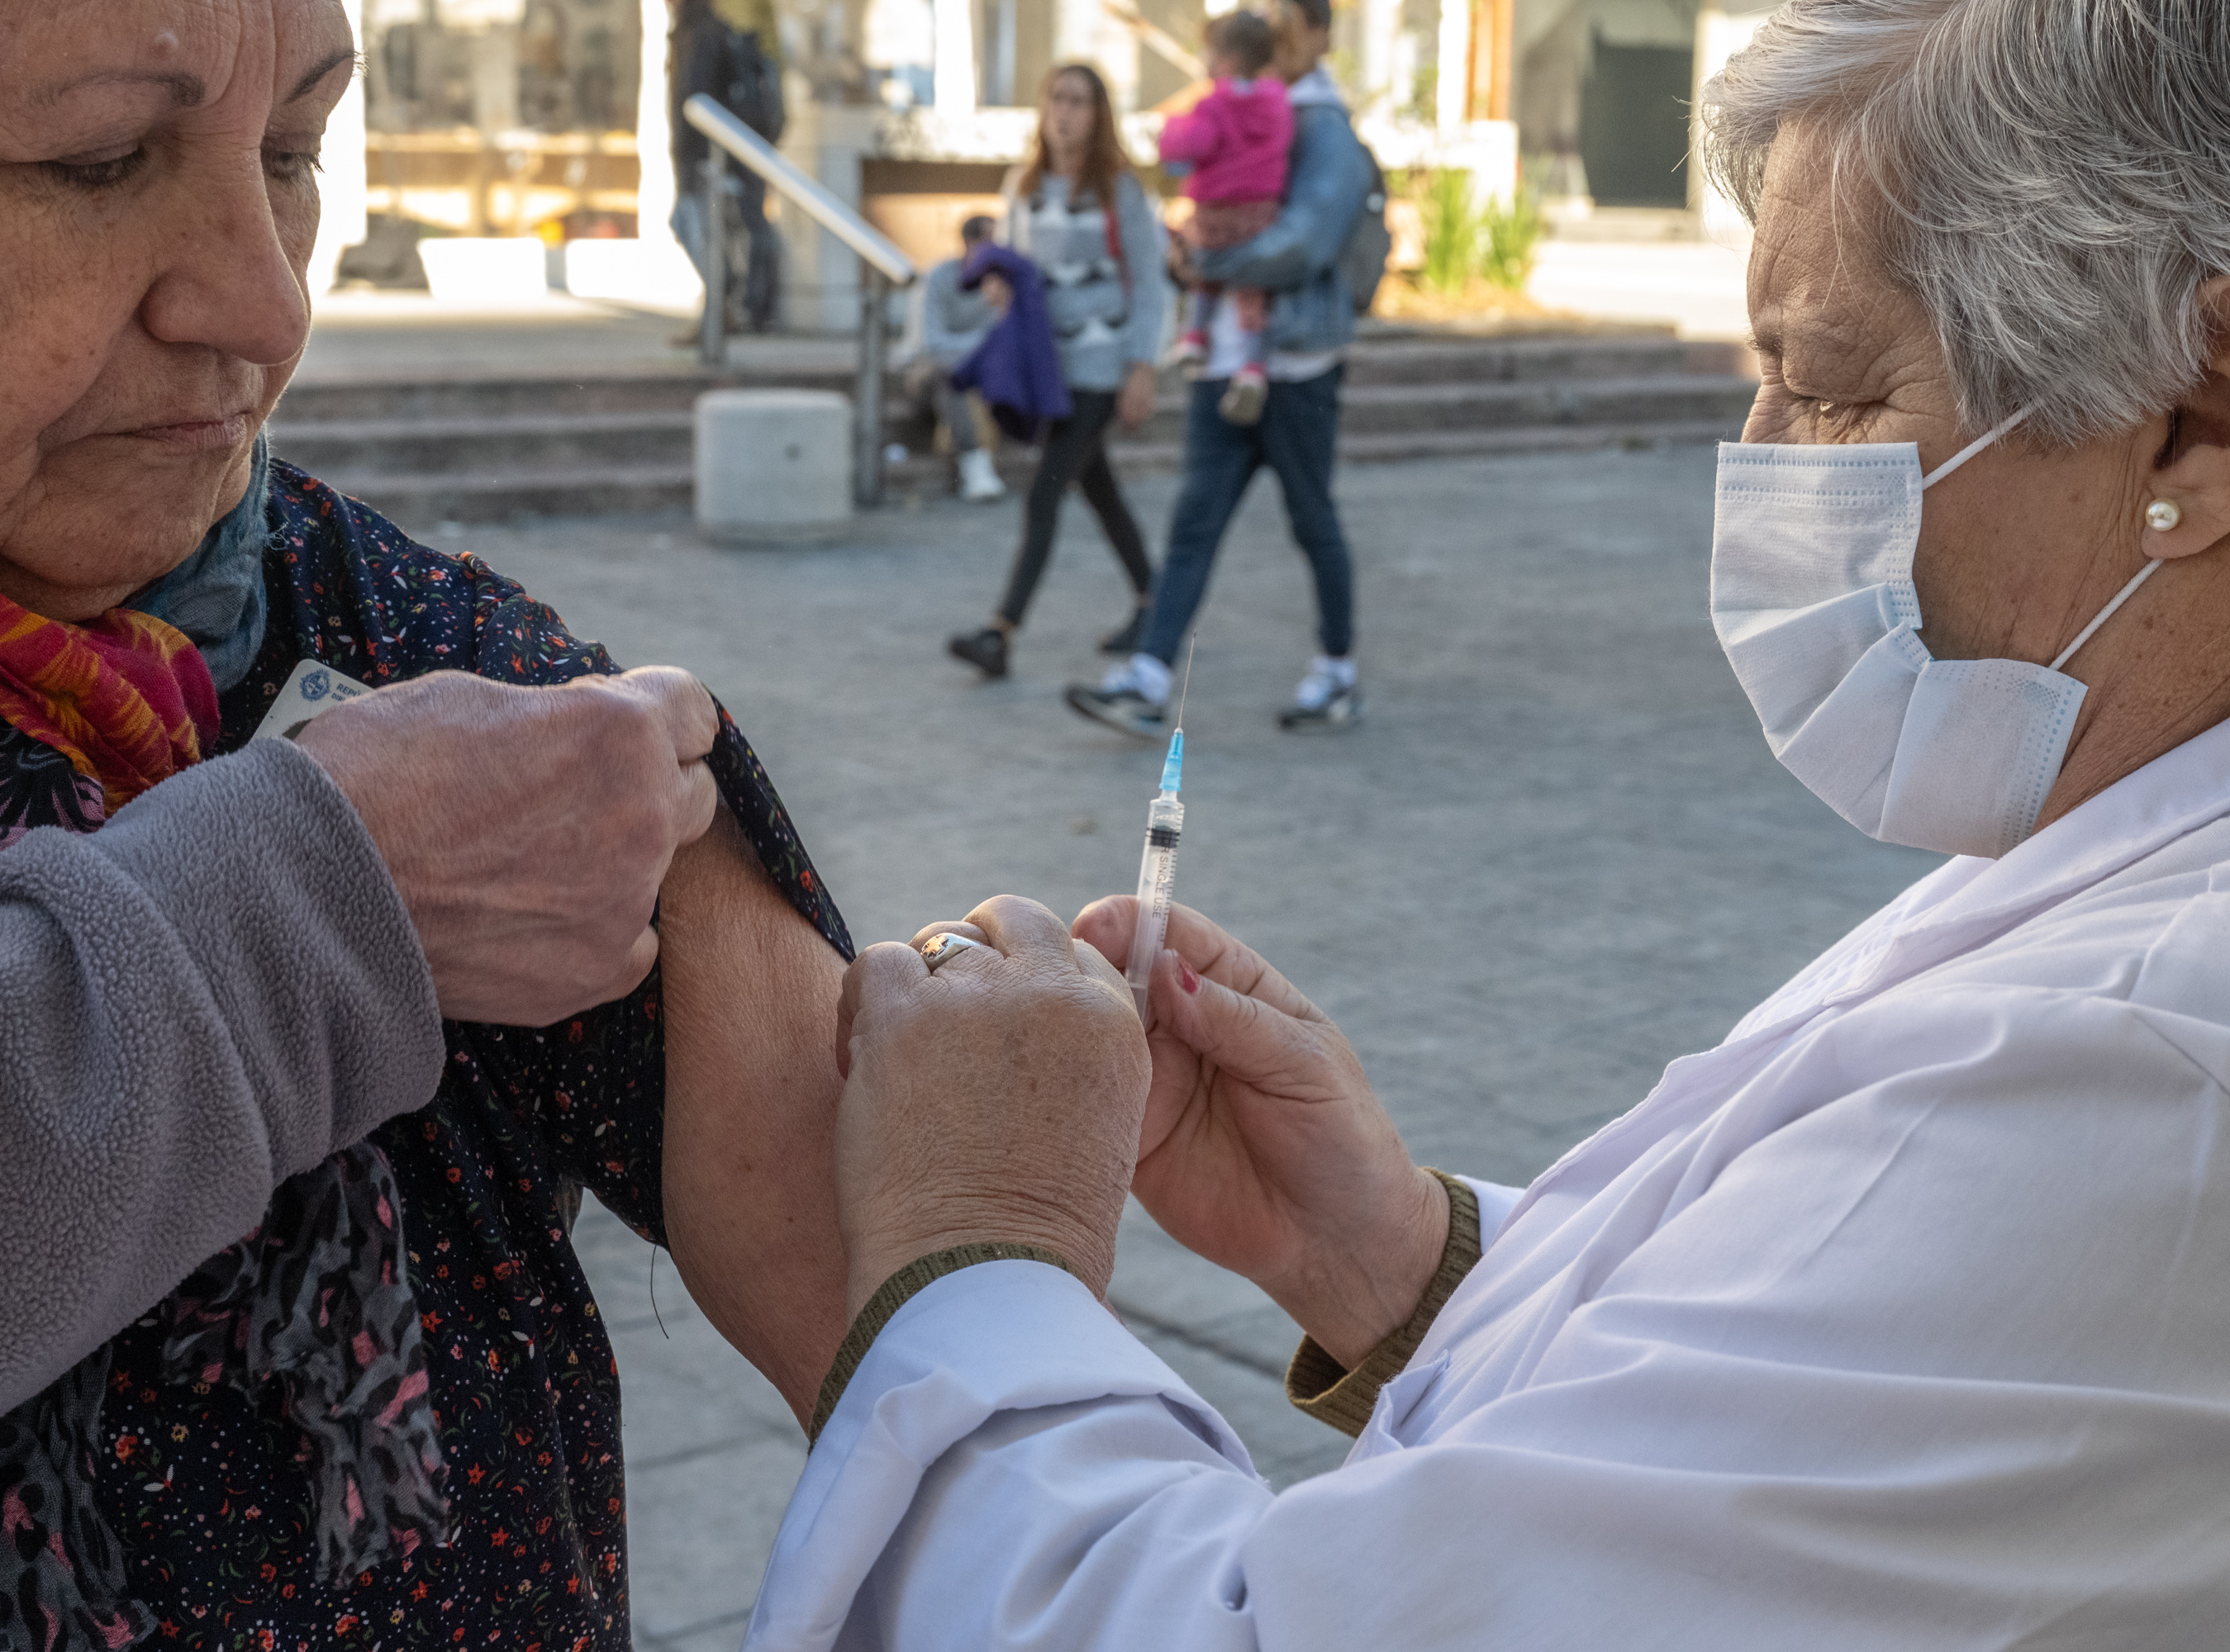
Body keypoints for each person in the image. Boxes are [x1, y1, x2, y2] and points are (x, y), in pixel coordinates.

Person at [749, 0, 2230, 1645]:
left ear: (2197, 413)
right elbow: (1803, 1404)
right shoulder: (2126, 847)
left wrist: (982, 1245)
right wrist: (1394, 1252)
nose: (1758, 464)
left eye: (1829, 385)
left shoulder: (2140, 1068)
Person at [0, 4, 850, 1650]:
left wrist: (1366, 1275)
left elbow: (900, 1288)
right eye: (98, 157)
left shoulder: (434, 670)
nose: (267, 304)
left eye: (295, 151)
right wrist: (297, 915)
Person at [1064, 0, 1369, 736]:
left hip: (1293, 367)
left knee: (1312, 520)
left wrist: (1205, 256)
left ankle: (1336, 671)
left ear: (1319, 33)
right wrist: (1185, 254)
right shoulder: (1242, 105)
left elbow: (1304, 242)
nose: (1272, 29)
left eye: (1287, 17)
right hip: (1222, 362)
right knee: (1192, 528)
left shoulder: (1324, 126)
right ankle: (1147, 678)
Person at [947, 64, 1166, 681]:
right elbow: (1016, 272)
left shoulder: (1121, 190)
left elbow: (1149, 287)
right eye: (1057, 99)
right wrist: (997, 286)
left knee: (1046, 492)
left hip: (1101, 364)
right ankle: (1156, 602)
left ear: (1099, 114)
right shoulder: (1024, 185)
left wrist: (1141, 366)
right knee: (1099, 489)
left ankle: (1001, 633)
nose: (1066, 112)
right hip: (1049, 369)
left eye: (1079, 101)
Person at [1158, 11, 1292, 423]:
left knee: (1203, 268)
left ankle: (1195, 336)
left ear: (1227, 60)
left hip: (1215, 211)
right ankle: (1253, 368)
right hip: (1260, 212)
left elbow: (1191, 145)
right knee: (1253, 288)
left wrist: (1171, 131)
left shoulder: (1214, 103)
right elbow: (1284, 144)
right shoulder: (1278, 101)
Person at [668, 0, 784, 335]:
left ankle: (723, 307)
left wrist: (689, 156)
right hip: (716, 156)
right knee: (704, 228)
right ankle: (724, 306)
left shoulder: (703, 37)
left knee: (695, 225)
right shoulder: (706, 33)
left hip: (709, 157)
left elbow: (695, 101)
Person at [900, 214, 1007, 502]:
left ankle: (972, 460)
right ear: (969, 243)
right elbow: (931, 343)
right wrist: (980, 347)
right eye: (989, 242)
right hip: (927, 374)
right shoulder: (939, 277)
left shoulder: (1002, 282)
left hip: (980, 374)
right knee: (950, 374)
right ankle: (976, 465)